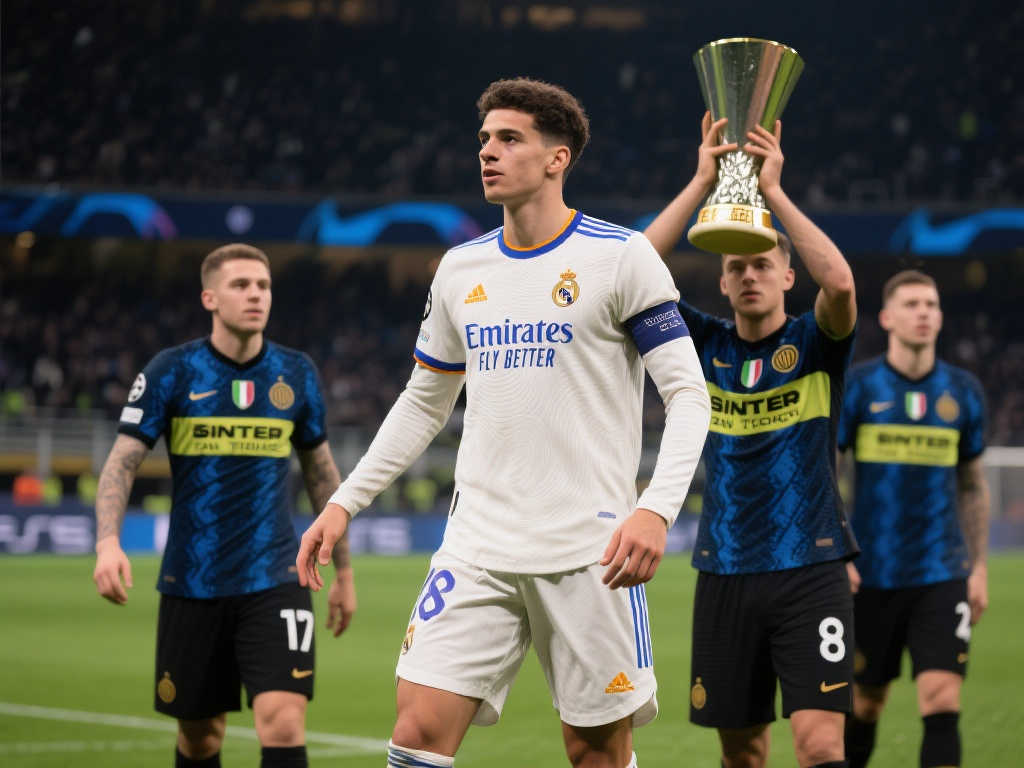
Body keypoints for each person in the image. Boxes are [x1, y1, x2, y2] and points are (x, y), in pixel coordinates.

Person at [297, 77, 711, 768]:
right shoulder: (461, 268)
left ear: (557, 158)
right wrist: (344, 502)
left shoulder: (620, 257)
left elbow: (690, 395)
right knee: (415, 734)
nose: (487, 151)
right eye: (484, 139)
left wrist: (656, 509)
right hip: (477, 546)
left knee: (596, 752)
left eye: (509, 139)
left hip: (590, 552)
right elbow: (424, 401)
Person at [643, 112, 859, 768]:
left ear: (788, 276)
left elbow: (841, 284)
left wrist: (775, 193)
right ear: (722, 281)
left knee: (819, 746)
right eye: (736, 266)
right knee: (742, 754)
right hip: (725, 569)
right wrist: (700, 182)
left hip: (811, 568)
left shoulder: (814, 343)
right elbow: (630, 273)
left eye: (764, 264)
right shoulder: (702, 344)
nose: (749, 275)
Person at [92, 243, 357, 768]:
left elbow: (322, 475)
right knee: (200, 738)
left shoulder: (295, 373)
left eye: (263, 285)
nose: (256, 295)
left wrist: (344, 573)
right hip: (193, 580)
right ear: (209, 298)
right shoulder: (172, 371)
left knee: (283, 722)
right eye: (241, 285)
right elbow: (121, 463)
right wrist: (107, 543)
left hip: (276, 575)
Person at [838, 270, 989, 768]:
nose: (923, 312)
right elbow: (828, 473)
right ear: (886, 317)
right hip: (871, 573)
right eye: (911, 304)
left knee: (942, 699)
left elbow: (972, 485)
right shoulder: (860, 387)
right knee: (865, 703)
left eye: (931, 304)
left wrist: (979, 567)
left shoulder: (963, 391)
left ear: (940, 317)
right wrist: (838, 551)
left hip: (941, 571)